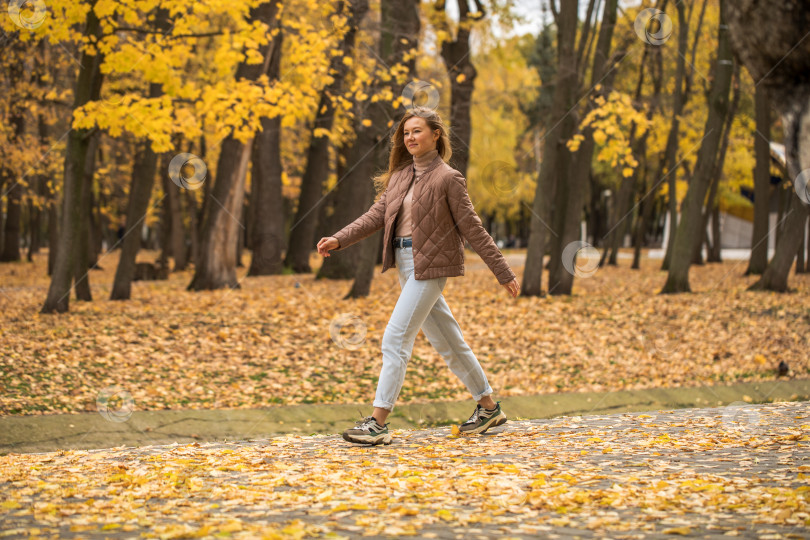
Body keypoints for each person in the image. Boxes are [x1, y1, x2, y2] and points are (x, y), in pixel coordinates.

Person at [316, 106, 520, 446]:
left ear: (435, 135)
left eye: (417, 131)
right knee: (449, 341)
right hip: (405, 263)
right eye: (406, 133)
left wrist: (502, 271)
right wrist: (339, 238)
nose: (410, 137)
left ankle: (378, 423)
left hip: (430, 267)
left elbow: (473, 228)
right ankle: (488, 408)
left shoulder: (448, 178)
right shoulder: (400, 177)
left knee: (394, 339)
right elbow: (375, 215)